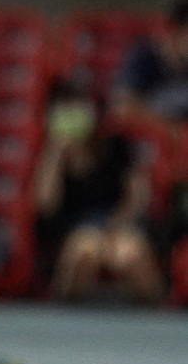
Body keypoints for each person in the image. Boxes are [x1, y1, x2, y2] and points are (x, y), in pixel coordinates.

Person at [34, 81, 163, 303]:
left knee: (131, 256)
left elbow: (138, 196)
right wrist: (54, 155)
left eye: (77, 106)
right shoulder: (51, 153)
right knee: (85, 253)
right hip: (76, 229)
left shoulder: (117, 147)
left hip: (119, 223)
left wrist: (115, 224)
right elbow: (45, 205)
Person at [111, 0, 188, 126]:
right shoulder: (144, 58)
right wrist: (167, 126)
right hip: (149, 134)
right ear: (175, 31)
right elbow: (122, 107)